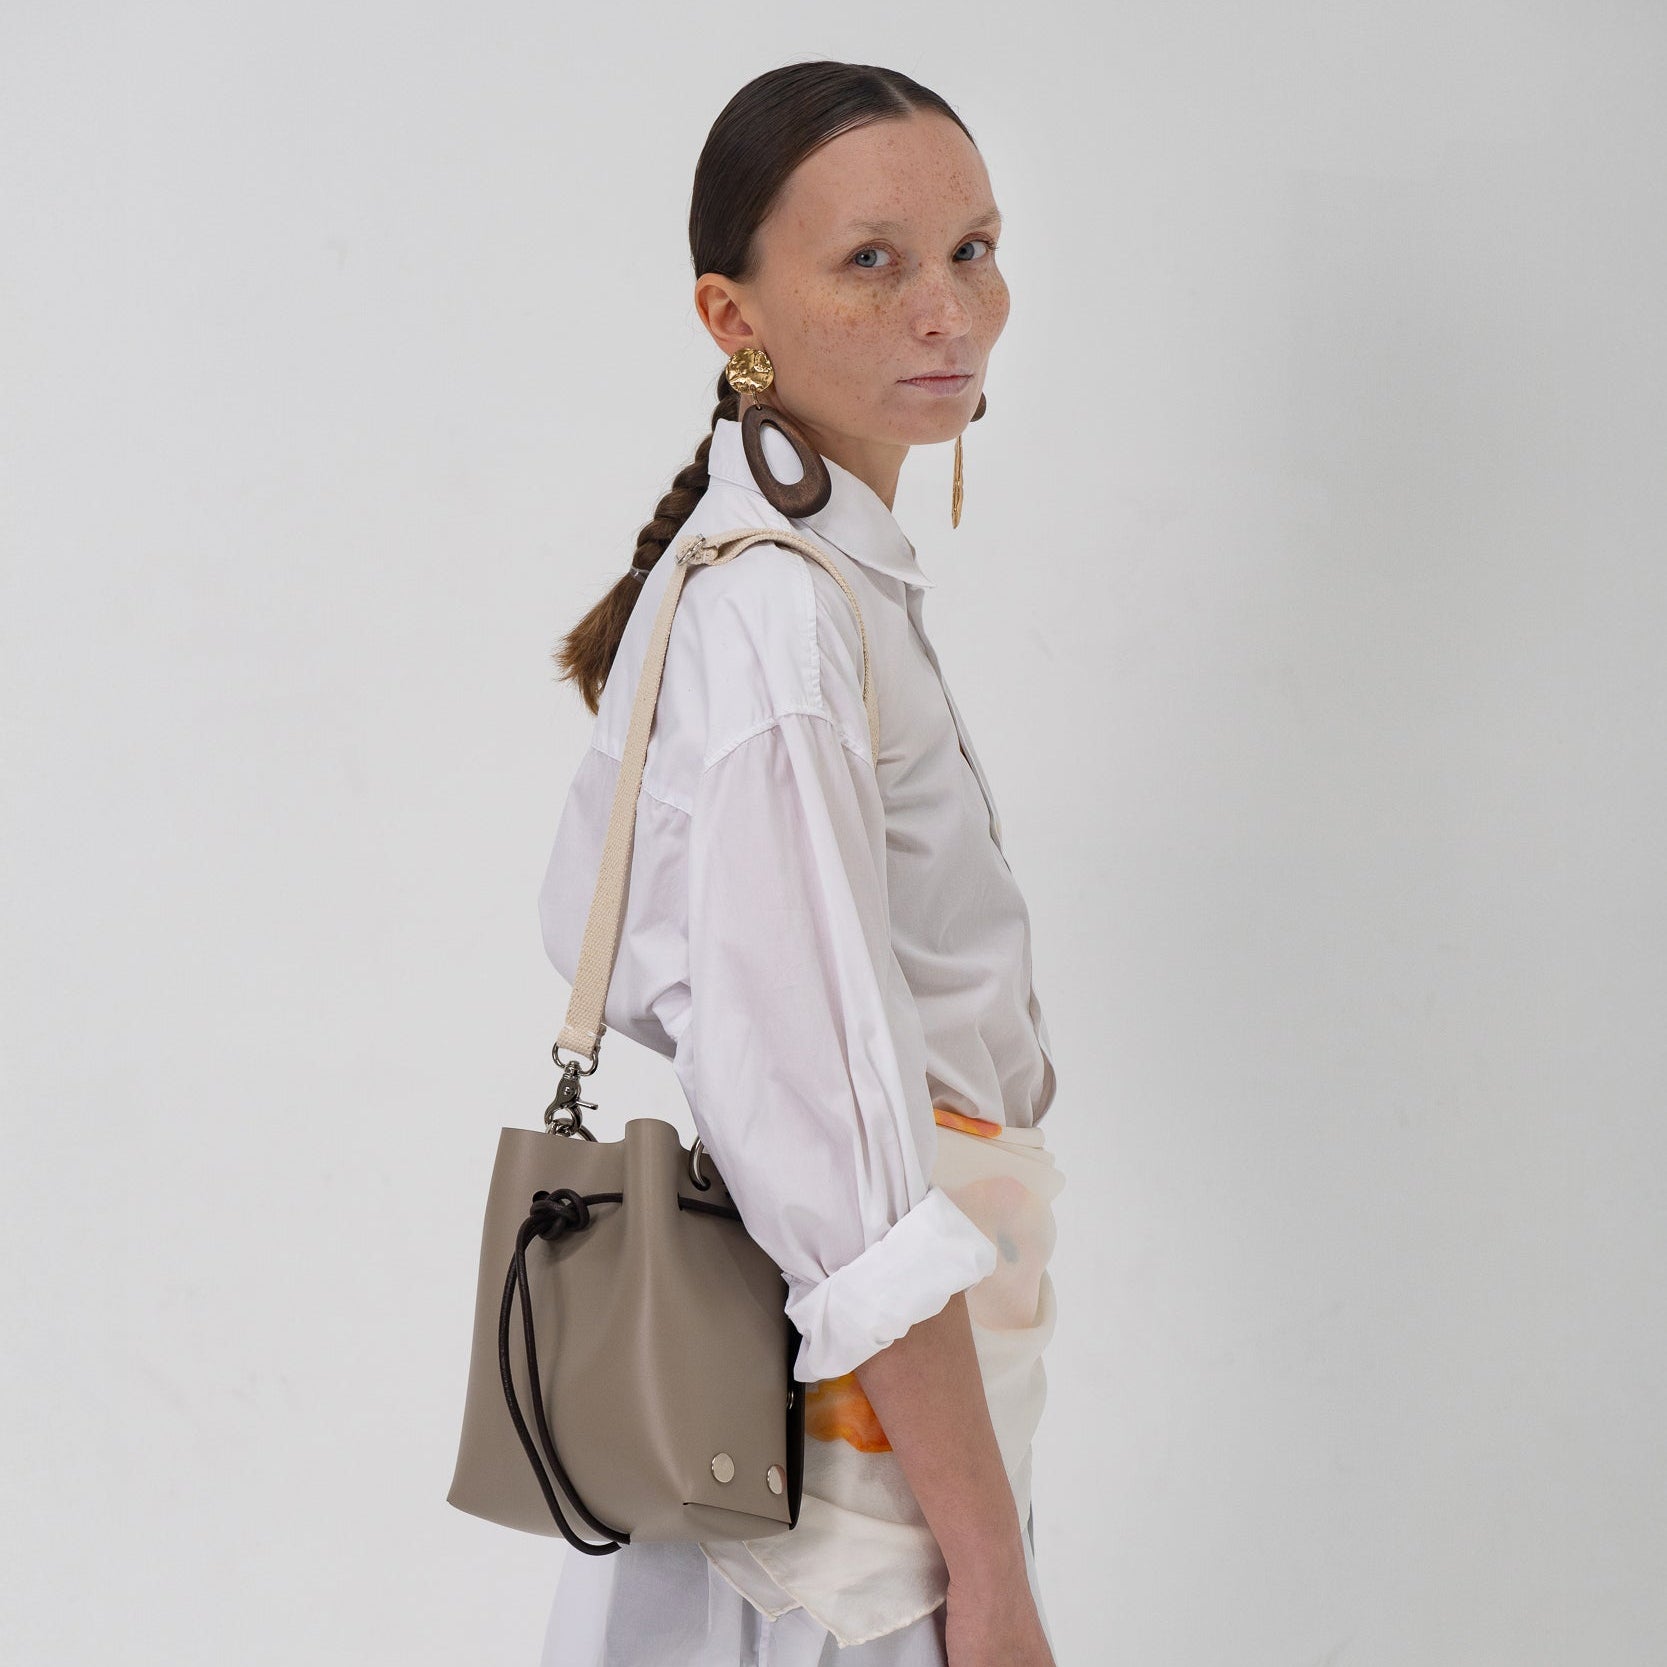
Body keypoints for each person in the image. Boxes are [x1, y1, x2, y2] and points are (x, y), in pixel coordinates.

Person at [535, 61, 1063, 1667]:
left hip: (865, 1400)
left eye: (974, 248)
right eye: (873, 259)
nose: (948, 310)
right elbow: (840, 1163)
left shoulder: (812, 580)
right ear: (729, 314)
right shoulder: (780, 618)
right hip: (847, 1448)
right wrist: (990, 1572)